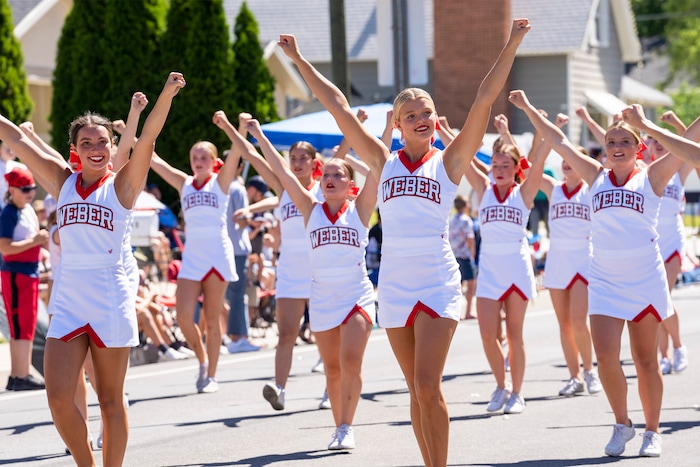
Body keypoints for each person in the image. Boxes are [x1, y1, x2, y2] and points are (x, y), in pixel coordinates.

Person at [278, 19, 530, 466]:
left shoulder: (449, 161)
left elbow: (483, 100)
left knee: (429, 385)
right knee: (415, 391)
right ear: (396, 124)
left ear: (434, 119)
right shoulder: (381, 161)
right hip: (392, 286)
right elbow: (336, 104)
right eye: (410, 115)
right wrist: (298, 59)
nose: (420, 119)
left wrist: (510, 43)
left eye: (426, 112)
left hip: (436, 281)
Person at [0, 72, 184, 465]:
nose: (96, 149)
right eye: (87, 143)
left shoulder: (123, 186)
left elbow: (148, 140)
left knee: (110, 400)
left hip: (110, 296)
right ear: (75, 150)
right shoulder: (62, 181)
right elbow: (15, 139)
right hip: (69, 296)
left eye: (103, 142)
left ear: (113, 147)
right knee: (58, 397)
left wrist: (165, 95)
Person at [510, 90, 700, 458]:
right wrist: (528, 107)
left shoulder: (653, 178)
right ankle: (621, 424)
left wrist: (645, 125)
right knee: (607, 357)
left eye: (625, 141)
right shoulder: (595, 175)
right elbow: (558, 140)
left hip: (645, 276)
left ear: (638, 148)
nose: (616, 147)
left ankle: (652, 430)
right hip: (605, 278)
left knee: (645, 360)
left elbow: (692, 148)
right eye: (611, 141)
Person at [232, 116, 377, 450]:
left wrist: (374, 133)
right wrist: (258, 135)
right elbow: (281, 171)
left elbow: (378, 168)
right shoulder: (310, 207)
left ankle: (346, 426)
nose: (329, 179)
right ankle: (338, 424)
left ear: (350, 184)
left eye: (337, 175)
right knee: (332, 369)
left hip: (355, 293)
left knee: (351, 361)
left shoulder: (360, 209)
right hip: (322, 294)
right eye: (325, 174)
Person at [212, 110, 326, 411]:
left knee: (326, 335)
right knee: (286, 334)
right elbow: (251, 154)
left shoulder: (322, 191)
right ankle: (280, 388)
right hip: (289, 270)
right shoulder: (283, 188)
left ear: (315, 163)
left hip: (319, 270)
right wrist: (229, 128)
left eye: (303, 158)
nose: (297, 162)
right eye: (293, 157)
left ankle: (332, 388)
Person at [149, 113, 240, 394]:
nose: (198, 162)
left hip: (216, 253)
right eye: (194, 157)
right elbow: (152, 159)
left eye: (204, 157)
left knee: (212, 318)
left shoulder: (221, 182)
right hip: (193, 256)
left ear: (213, 162)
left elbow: (238, 150)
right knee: (184, 316)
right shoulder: (184, 182)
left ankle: (211, 374)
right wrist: (127, 132)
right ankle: (201, 359)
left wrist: (231, 126)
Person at [466, 135, 549, 414]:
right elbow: (462, 155)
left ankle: (517, 393)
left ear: (515, 168)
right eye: (495, 165)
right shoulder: (483, 187)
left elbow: (538, 162)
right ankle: (501, 386)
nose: (499, 170)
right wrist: (440, 131)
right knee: (488, 335)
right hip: (489, 270)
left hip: (516, 268)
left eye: (505, 165)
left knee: (515, 335)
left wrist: (547, 135)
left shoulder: (523, 193)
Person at [538, 143, 602, 397]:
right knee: (563, 324)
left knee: (578, 320)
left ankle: (590, 371)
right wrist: (543, 137)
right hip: (557, 260)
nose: (566, 162)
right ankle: (574, 376)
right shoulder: (553, 189)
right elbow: (526, 170)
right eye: (563, 158)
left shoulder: (591, 190)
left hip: (582, 259)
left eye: (572, 158)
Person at [0, 167, 48, 391]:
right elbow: (5, 248)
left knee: (26, 326)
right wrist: (36, 241)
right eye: (25, 189)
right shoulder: (9, 212)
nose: (30, 192)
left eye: (32, 188)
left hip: (29, 272)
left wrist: (39, 246)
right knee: (19, 327)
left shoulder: (25, 209)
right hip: (16, 272)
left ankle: (22, 373)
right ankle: (19, 375)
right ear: (13, 189)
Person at [225, 152, 261, 353]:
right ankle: (238, 337)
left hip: (225, 247)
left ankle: (234, 335)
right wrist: (251, 221)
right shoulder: (237, 189)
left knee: (229, 294)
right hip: (237, 248)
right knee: (238, 294)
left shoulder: (219, 186)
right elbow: (241, 220)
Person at [448, 195, 476, 320]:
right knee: (471, 284)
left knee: (457, 284)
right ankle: (468, 311)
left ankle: (456, 311)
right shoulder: (466, 220)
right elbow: (470, 238)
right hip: (464, 254)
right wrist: (473, 253)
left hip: (454, 254)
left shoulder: (452, 220)